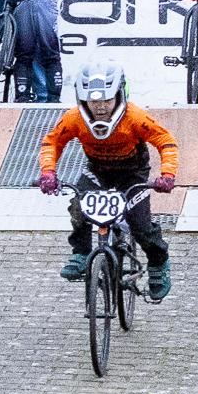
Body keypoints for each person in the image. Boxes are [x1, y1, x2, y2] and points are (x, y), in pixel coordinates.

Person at [37, 62, 178, 300]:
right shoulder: (73, 118)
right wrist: (48, 172)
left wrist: (168, 174)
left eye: (106, 100)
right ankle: (81, 253)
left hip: (132, 172)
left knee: (140, 225)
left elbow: (166, 141)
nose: (100, 107)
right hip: (98, 170)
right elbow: (52, 142)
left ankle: (158, 262)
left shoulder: (135, 117)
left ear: (120, 95)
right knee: (78, 206)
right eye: (93, 102)